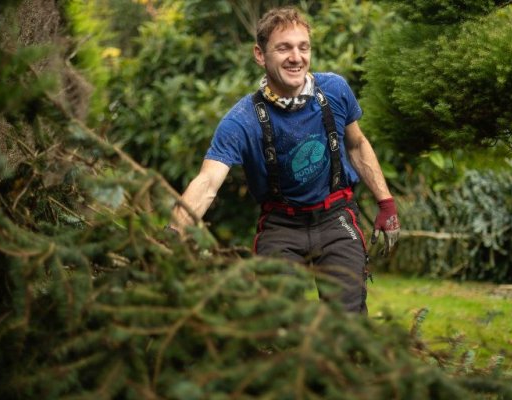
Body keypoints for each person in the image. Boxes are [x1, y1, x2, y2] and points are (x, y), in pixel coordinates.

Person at [168, 6, 399, 314]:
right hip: (281, 225)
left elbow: (356, 145)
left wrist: (386, 204)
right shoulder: (242, 121)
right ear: (260, 55)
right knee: (276, 320)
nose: (296, 57)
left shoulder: (334, 90)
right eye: (284, 48)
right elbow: (207, 182)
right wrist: (173, 234)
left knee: (346, 320)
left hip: (336, 217)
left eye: (303, 47)